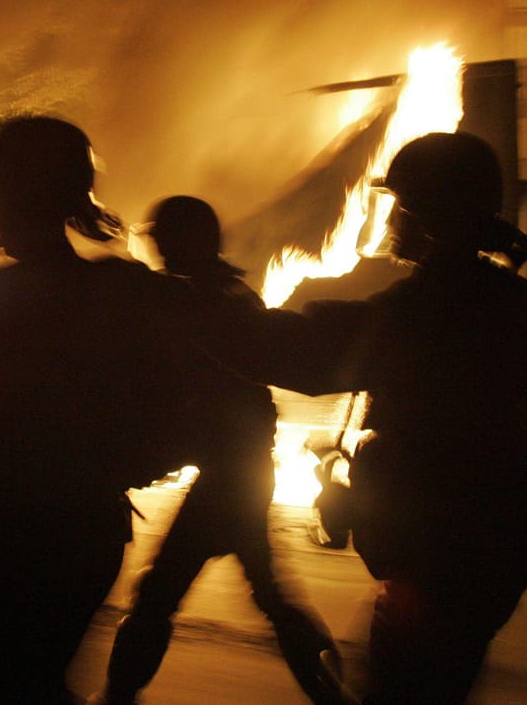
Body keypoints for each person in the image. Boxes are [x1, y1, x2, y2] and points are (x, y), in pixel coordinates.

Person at [0, 115, 234, 704]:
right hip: (93, 533)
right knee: (40, 679)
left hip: (21, 535)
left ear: (21, 195)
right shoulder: (123, 291)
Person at [224, 132, 527, 704]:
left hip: (442, 566)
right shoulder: (507, 300)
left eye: (398, 205)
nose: (388, 219)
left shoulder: (435, 307)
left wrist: (214, 310)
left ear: (429, 214)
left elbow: (311, 355)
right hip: (484, 559)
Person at [95, 196, 355, 705]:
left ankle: (116, 697)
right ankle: (328, 687)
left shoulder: (202, 302)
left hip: (229, 476)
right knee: (268, 593)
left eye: (163, 236)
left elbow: (204, 397)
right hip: (240, 471)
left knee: (159, 596)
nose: (158, 247)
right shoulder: (228, 295)